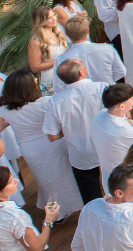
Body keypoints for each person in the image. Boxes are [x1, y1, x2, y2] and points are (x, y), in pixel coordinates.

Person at [0, 70, 85, 218]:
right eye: (33, 80)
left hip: (29, 149)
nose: (36, 81)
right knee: (68, 177)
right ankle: (80, 206)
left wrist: (15, 120)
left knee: (46, 182)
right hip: (54, 145)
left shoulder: (4, 107)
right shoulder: (47, 102)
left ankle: (56, 214)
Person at [42, 59, 108, 204]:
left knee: (91, 196)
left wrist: (67, 130)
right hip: (107, 145)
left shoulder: (55, 101)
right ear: (81, 72)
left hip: (80, 153)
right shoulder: (102, 87)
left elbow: (52, 136)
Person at [91, 83, 133, 193]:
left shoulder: (99, 116)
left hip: (109, 175)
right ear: (121, 106)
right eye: (131, 99)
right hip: (129, 184)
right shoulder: (124, 132)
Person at [0, 165, 60, 251]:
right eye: (10, 182)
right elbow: (37, 248)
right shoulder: (14, 217)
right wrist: (48, 222)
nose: (17, 180)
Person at [53, 15, 128, 93]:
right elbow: (121, 72)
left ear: (67, 34)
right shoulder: (107, 49)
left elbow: (58, 87)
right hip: (107, 92)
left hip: (80, 98)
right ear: (88, 31)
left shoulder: (62, 59)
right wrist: (108, 80)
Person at [26, 6, 67, 95]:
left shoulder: (59, 34)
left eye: (54, 15)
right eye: (49, 18)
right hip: (50, 79)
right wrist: (59, 60)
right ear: (40, 21)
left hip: (66, 75)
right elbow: (35, 67)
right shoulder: (36, 41)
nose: (53, 19)